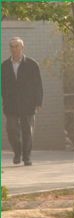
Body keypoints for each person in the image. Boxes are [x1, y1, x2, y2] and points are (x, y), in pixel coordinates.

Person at [1, 36, 43, 166]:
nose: (14, 49)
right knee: (11, 130)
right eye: (12, 47)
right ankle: (17, 153)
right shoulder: (4, 66)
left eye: (17, 46)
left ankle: (27, 156)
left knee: (27, 131)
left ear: (22, 47)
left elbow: (38, 84)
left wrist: (38, 102)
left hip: (28, 103)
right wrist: (4, 99)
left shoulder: (32, 64)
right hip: (11, 104)